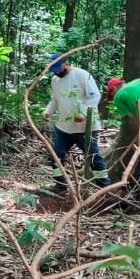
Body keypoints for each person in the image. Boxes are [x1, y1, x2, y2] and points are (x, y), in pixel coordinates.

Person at [42, 53, 110, 194]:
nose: (56, 72)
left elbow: (94, 95)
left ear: (66, 64)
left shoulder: (81, 75)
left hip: (85, 127)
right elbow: (55, 99)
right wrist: (48, 111)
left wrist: (83, 113)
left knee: (93, 157)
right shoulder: (55, 80)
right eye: (53, 69)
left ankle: (104, 188)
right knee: (56, 155)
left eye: (58, 68)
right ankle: (60, 185)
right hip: (64, 126)